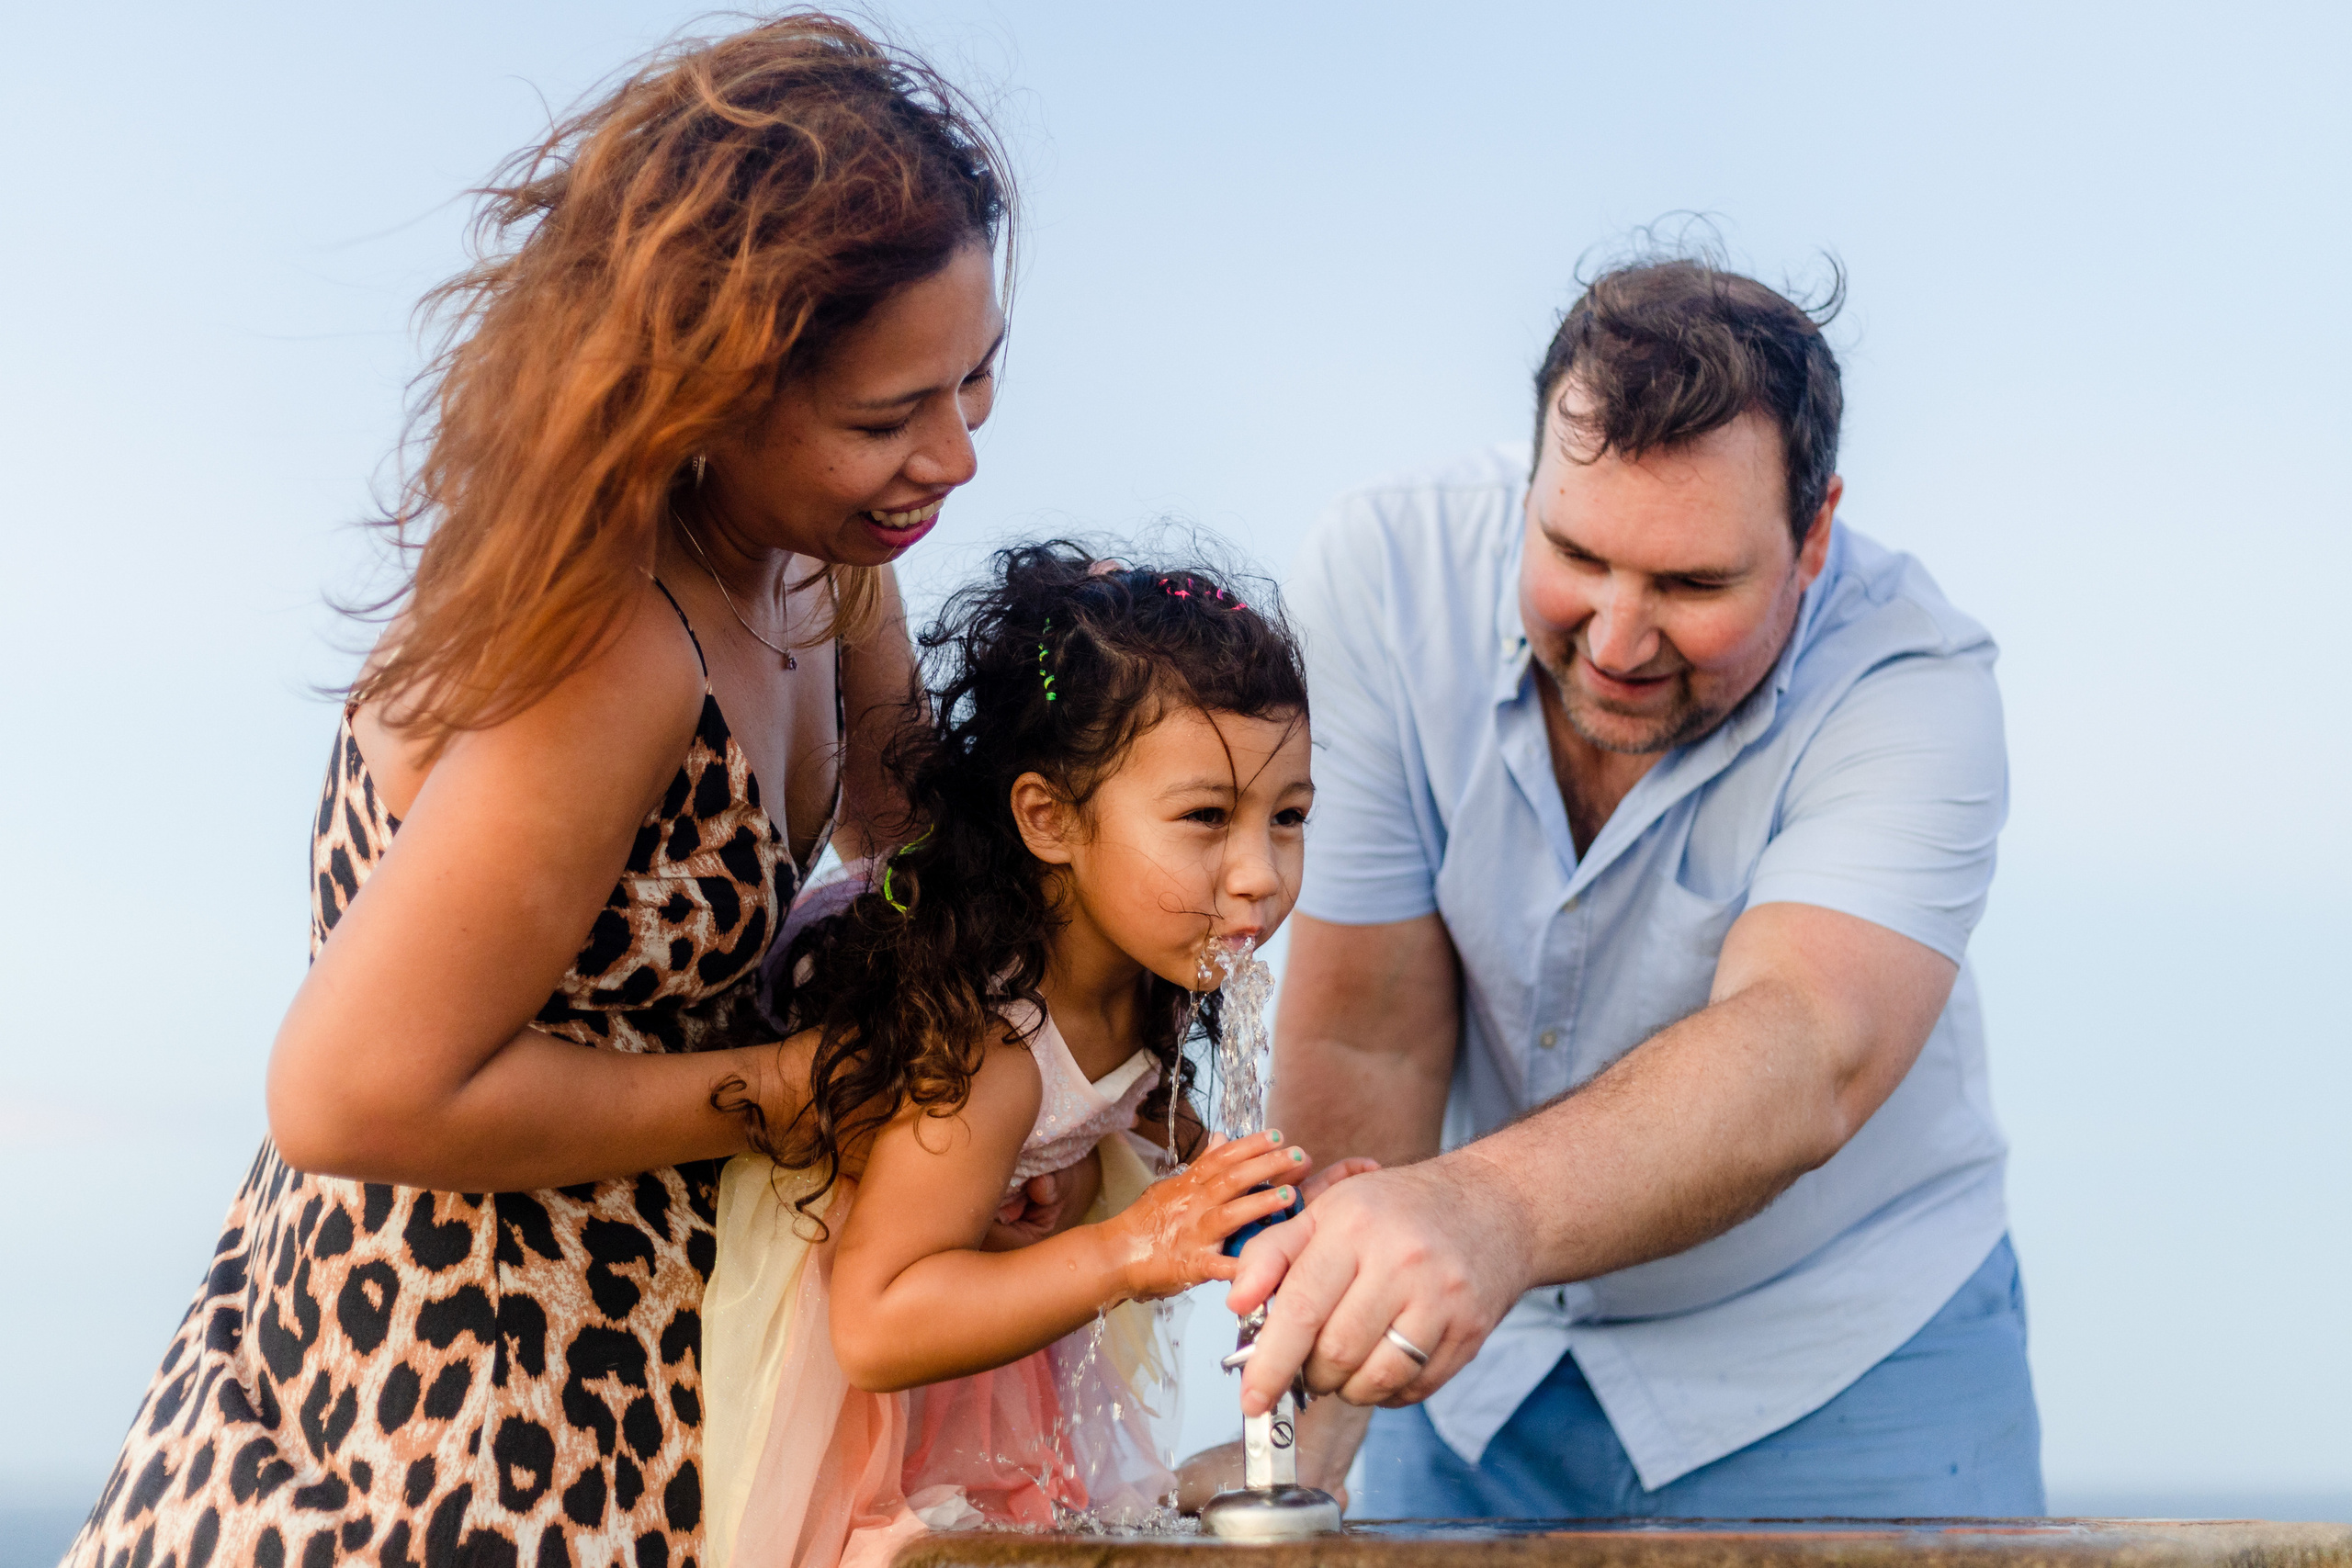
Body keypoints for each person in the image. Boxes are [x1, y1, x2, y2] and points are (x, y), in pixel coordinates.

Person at [65, 17, 1043, 1565]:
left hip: (651, 1364)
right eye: (886, 417)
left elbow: (915, 843)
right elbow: (350, 1091)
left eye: (974, 382)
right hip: (444, 1424)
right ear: (708, 388)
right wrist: (802, 1090)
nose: (953, 455)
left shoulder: (812, 558)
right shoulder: (613, 641)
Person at [1229, 254, 2041, 1517]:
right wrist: (1317, 1419)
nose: (1614, 639)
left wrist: (1484, 1207)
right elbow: (1365, 1027)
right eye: (1576, 553)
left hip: (1842, 1352)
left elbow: (1809, 1043)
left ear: (1814, 533)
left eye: (1691, 584)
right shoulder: (1382, 576)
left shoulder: (1917, 683)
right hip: (1475, 1377)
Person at [699, 545, 1342, 1566]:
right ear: (1049, 819)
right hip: (864, 1396)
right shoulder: (986, 1045)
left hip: (994, 1354)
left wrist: (1268, 1194)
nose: (1259, 876)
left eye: (1289, 817)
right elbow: (872, 1324)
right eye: (1207, 819)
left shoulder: (1152, 967)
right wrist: (1129, 1246)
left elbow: (1144, 1114)